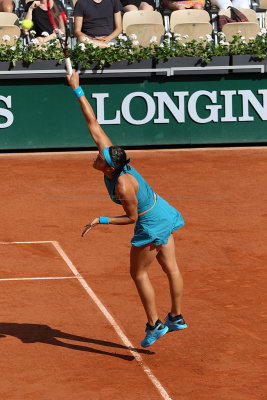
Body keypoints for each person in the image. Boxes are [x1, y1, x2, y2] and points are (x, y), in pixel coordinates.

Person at [66, 70, 187, 348]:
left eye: (100, 157)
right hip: (164, 211)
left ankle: (155, 324)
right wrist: (77, 89)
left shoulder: (122, 187)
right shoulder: (113, 161)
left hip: (151, 222)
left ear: (109, 166)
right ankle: (177, 317)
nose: (96, 154)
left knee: (139, 273)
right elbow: (93, 124)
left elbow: (132, 217)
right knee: (171, 268)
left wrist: (101, 219)